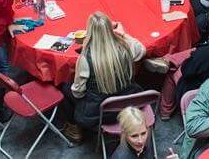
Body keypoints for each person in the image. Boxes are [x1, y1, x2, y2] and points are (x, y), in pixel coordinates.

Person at [63, 11, 147, 142]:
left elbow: (78, 93)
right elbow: (142, 50)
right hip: (130, 104)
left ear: (89, 32)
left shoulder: (85, 58)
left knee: (65, 86)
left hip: (99, 114)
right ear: (110, 30)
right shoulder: (125, 46)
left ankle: (75, 129)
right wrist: (123, 34)